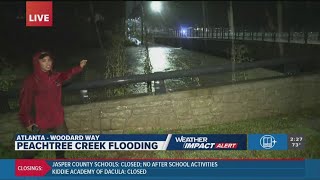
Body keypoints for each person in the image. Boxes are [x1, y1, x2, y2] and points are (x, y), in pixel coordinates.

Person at [18, 51, 87, 159]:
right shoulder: (30, 81)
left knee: (63, 137)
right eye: (44, 60)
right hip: (40, 118)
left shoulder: (56, 76)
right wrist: (27, 122)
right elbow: (24, 103)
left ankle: (60, 158)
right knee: (31, 147)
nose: (48, 63)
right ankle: (23, 166)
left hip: (56, 115)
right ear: (37, 63)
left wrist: (79, 67)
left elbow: (67, 74)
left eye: (49, 60)